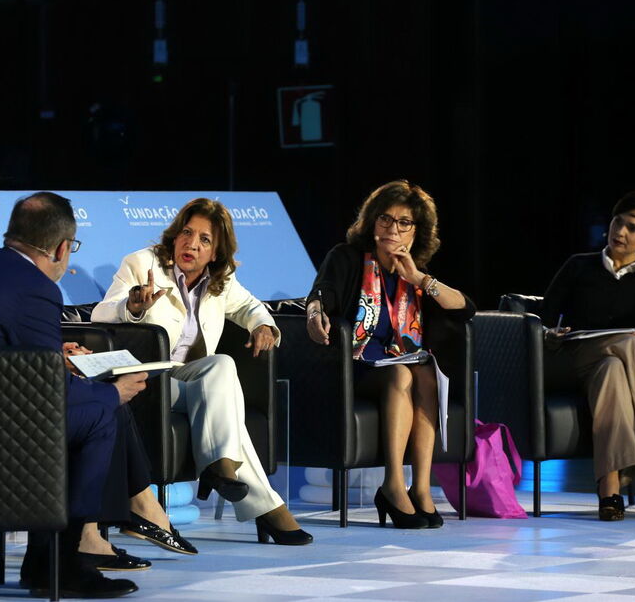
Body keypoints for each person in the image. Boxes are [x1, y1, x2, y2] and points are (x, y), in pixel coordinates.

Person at [0, 192, 191, 598]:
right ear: (62, 248)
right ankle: (67, 561)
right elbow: (47, 396)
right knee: (100, 413)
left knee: (92, 407)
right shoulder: (37, 287)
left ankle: (47, 562)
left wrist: (57, 362)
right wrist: (114, 392)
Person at [92, 198, 312, 545]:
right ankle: (261, 501)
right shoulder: (141, 263)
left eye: (204, 240)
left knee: (222, 364)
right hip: (148, 381)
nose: (191, 244)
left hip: (188, 380)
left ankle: (222, 468)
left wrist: (263, 326)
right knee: (227, 405)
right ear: (175, 236)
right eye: (187, 232)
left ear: (216, 253)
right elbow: (100, 316)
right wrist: (132, 306)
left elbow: (249, 306)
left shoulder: (220, 280)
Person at [305, 180, 475, 529]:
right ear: (372, 222)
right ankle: (393, 484)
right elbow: (322, 294)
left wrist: (418, 277)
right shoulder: (347, 257)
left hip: (403, 366)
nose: (391, 229)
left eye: (403, 223)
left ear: (416, 232)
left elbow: (465, 308)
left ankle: (422, 488)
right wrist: (314, 312)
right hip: (356, 368)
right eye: (385, 219)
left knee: (425, 372)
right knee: (402, 373)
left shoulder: (414, 273)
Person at [542, 190, 635, 521]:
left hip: (605, 370)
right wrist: (549, 332)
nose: (620, 233)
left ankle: (609, 490)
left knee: (612, 372)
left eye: (633, 229)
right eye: (617, 223)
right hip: (572, 360)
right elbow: (544, 315)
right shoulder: (578, 266)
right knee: (632, 343)